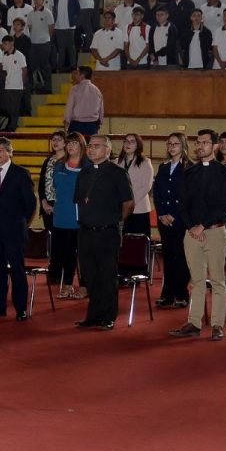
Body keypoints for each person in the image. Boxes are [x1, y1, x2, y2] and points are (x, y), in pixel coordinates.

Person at [169, 129, 226, 340]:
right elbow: (183, 204)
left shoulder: (225, 173)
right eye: (198, 142)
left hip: (214, 231)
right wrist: (191, 227)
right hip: (192, 233)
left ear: (215, 146)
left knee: (217, 279)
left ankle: (217, 325)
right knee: (196, 280)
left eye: (205, 143)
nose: (200, 146)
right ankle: (194, 323)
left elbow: (223, 205)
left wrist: (202, 226)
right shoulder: (189, 173)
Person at [74, 135, 135, 331]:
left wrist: (117, 223)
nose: (91, 149)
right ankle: (93, 315)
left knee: (107, 275)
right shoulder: (84, 173)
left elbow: (128, 203)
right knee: (90, 275)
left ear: (108, 150)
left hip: (107, 232)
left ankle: (108, 316)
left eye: (96, 146)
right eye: (90, 146)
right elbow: (80, 201)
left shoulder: (118, 173)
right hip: (85, 232)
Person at [0, 137, 37, 321]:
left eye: (0, 151)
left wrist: (20, 223)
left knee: (18, 271)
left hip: (13, 231)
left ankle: (20, 308)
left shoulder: (21, 173)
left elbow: (30, 204)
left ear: (9, 152)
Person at [153, 132, 191, 309]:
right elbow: (158, 193)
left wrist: (174, 214)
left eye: (176, 143)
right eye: (169, 144)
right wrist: (161, 213)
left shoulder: (190, 168)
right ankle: (167, 294)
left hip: (181, 219)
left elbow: (188, 197)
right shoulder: (163, 167)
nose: (172, 146)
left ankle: (182, 293)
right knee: (168, 256)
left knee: (182, 257)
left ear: (183, 146)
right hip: (164, 219)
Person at [53, 132, 91, 299]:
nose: (70, 146)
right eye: (68, 143)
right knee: (65, 254)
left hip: (81, 218)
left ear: (82, 145)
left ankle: (84, 286)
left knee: (83, 254)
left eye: (74, 143)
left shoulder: (88, 166)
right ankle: (68, 285)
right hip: (61, 216)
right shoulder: (59, 165)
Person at [115, 133, 154, 237]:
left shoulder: (145, 162)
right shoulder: (116, 162)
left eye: (132, 142)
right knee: (122, 242)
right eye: (126, 141)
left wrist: (130, 203)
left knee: (138, 244)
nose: (128, 144)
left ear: (138, 145)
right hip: (120, 209)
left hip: (139, 208)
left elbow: (146, 186)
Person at [63, 66, 104, 137]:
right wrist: (99, 122)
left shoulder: (74, 89)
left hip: (77, 125)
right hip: (92, 125)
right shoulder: (97, 90)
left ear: (82, 76)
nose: (75, 75)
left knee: (75, 146)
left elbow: (69, 108)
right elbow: (101, 109)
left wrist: (66, 122)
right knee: (90, 147)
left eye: (77, 73)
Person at [39, 130, 68, 232]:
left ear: (65, 143)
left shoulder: (70, 161)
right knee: (51, 238)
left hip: (64, 205)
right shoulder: (48, 160)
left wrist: (58, 206)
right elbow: (41, 184)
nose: (55, 142)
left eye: (59, 140)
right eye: (53, 139)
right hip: (48, 206)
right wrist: (44, 203)